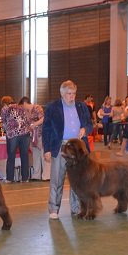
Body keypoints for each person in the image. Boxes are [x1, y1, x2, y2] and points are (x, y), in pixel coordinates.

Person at [42, 80, 92, 219]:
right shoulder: (53, 107)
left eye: (74, 93)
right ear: (62, 93)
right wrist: (47, 149)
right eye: (69, 94)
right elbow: (46, 129)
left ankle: (76, 208)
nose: (72, 96)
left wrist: (85, 129)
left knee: (77, 180)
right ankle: (53, 209)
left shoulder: (82, 106)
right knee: (57, 180)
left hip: (78, 148)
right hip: (60, 147)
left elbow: (89, 124)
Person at [0, 96, 32, 182]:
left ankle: (10, 178)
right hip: (25, 133)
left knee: (11, 156)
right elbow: (28, 120)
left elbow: (3, 122)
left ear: (4, 103)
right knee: (24, 155)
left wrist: (6, 131)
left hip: (13, 134)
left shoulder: (5, 108)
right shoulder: (21, 107)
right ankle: (25, 178)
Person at [23, 98, 47, 181]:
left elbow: (43, 119)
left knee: (43, 154)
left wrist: (34, 124)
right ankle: (36, 175)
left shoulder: (37, 108)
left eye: (23, 105)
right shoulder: (27, 112)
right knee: (35, 155)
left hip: (40, 134)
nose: (23, 107)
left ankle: (46, 175)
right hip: (32, 136)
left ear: (25, 102)